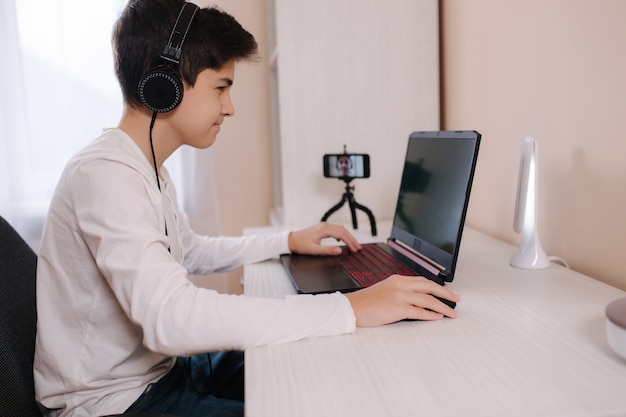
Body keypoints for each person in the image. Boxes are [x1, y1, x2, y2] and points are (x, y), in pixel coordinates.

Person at [33, 1, 460, 416]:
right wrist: (351, 308)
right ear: (163, 85)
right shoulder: (106, 175)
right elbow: (170, 317)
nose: (229, 108)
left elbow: (191, 249)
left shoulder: (146, 168)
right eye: (221, 87)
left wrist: (286, 240)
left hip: (163, 373)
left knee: (316, 370)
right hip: (114, 403)